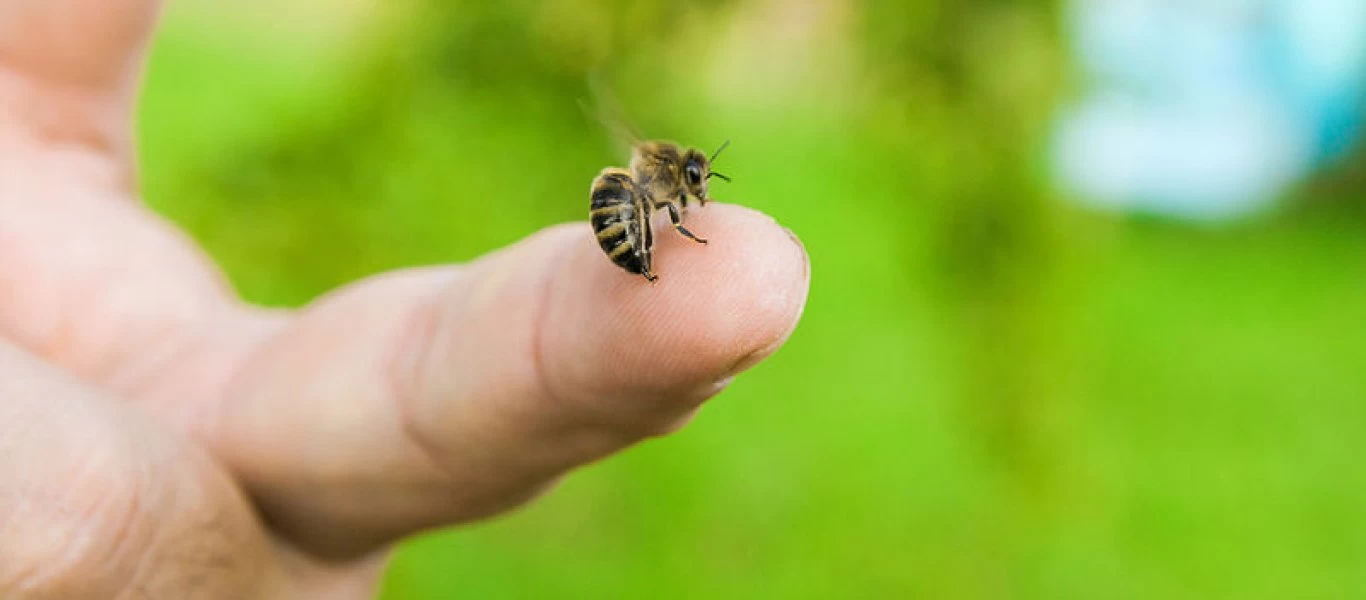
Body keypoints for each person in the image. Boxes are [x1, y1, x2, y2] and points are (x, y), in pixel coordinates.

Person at [0, 1, 810, 597]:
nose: (697, 192)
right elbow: (645, 193)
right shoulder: (655, 184)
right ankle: (641, 265)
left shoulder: (656, 179)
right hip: (621, 218)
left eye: (694, 188)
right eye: (694, 186)